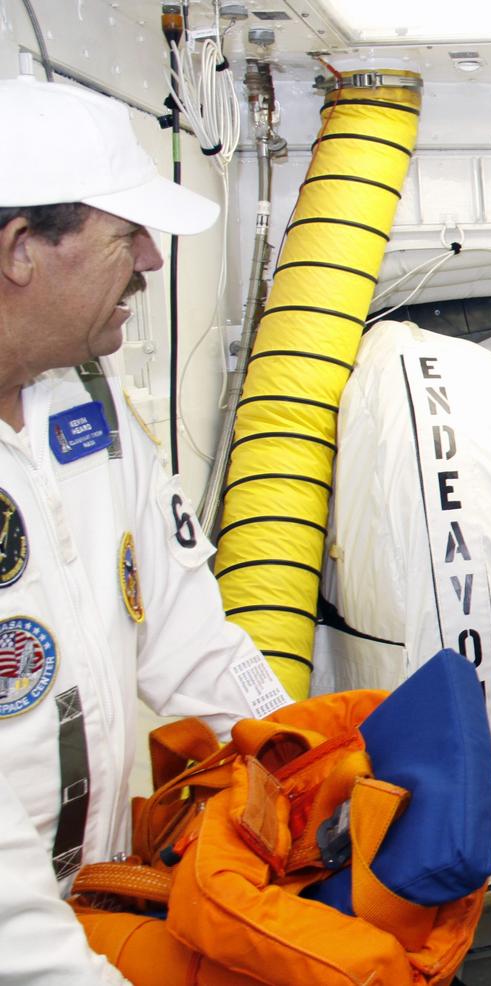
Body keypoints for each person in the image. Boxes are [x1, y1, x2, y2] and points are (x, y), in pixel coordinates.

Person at [0, 76, 290, 983]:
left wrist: (301, 757)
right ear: (20, 251)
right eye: (126, 234)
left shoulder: (90, 406)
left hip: (95, 907)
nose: (151, 263)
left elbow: (184, 635)